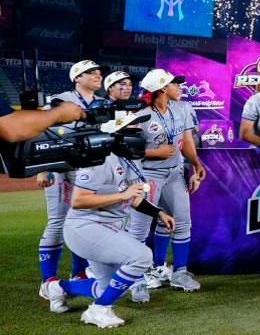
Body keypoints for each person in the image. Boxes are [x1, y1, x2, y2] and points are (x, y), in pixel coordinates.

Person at [40, 115, 176, 327]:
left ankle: (58, 288)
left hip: (105, 228)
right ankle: (98, 310)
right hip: (84, 228)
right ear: (115, 135)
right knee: (141, 257)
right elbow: (78, 201)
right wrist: (122, 196)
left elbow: (132, 196)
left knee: (108, 287)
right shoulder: (99, 161)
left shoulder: (127, 159)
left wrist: (158, 213)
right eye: (132, 130)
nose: (139, 133)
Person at [127, 69, 204, 302]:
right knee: (139, 229)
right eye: (174, 84)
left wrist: (195, 164)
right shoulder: (140, 116)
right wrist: (154, 152)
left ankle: (179, 272)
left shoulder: (180, 109)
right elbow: (129, 151)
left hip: (175, 173)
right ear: (162, 89)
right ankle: (137, 279)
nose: (179, 87)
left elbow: (186, 141)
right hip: (148, 175)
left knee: (183, 221)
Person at [37, 60, 109, 295]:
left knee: (84, 221)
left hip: (90, 168)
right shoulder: (60, 100)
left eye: (99, 72)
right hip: (62, 167)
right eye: (91, 72)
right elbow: (42, 131)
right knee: (58, 221)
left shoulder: (103, 103)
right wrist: (44, 167)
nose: (97, 75)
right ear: (76, 78)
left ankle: (78, 271)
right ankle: (48, 279)